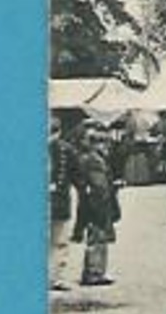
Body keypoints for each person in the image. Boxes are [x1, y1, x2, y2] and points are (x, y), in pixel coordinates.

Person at [71, 123, 120, 287]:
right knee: (97, 237)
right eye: (101, 142)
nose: (105, 145)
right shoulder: (93, 160)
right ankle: (94, 272)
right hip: (97, 204)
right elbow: (99, 186)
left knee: (99, 237)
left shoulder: (89, 158)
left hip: (95, 202)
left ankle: (96, 270)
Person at [49, 115, 75, 291]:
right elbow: (76, 173)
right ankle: (56, 277)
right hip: (60, 200)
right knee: (60, 240)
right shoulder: (67, 149)